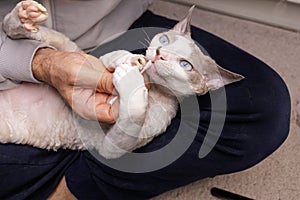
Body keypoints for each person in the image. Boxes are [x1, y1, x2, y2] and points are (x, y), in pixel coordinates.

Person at [0, 1, 291, 199]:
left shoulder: (165, 75)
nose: (162, 54)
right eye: (164, 42)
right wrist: (41, 61)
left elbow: (117, 141)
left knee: (265, 110)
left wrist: (132, 105)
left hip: (109, 28)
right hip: (16, 45)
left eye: (183, 63)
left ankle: (69, 186)